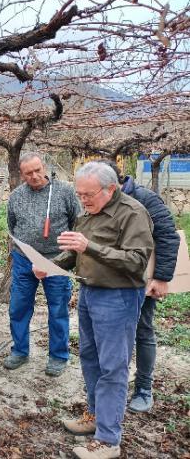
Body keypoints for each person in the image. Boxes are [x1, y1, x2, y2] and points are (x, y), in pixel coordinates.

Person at [36, 161, 154, 459]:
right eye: (79, 194)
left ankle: (108, 440)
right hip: (89, 292)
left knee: (113, 366)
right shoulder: (87, 213)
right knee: (90, 357)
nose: (83, 200)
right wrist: (52, 266)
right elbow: (76, 251)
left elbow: (136, 262)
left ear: (110, 188)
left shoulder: (132, 214)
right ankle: (94, 415)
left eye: (88, 194)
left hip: (119, 297)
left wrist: (90, 246)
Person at [100, 159, 180, 413]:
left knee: (143, 329)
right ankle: (113, 384)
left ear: (113, 185)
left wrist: (161, 278)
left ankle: (144, 388)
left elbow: (168, 236)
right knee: (113, 334)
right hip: (113, 280)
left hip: (141, 281)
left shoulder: (146, 200)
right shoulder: (101, 202)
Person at [4, 152, 80, 376]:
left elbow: (78, 222)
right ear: (22, 174)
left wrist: (66, 256)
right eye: (29, 173)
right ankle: (19, 350)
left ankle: (58, 356)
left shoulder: (65, 192)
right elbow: (12, 224)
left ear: (44, 167)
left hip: (57, 260)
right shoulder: (16, 196)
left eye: (38, 170)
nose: (35, 176)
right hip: (24, 259)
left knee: (57, 309)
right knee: (18, 307)